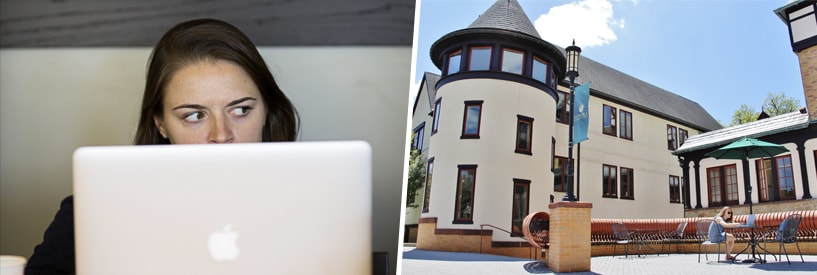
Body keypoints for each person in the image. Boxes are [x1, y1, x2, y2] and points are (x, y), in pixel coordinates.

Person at [25, 18, 299, 275]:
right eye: (194, 115)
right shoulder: (96, 210)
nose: (221, 134)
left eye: (240, 110)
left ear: (266, 110)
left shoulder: (315, 202)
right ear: (161, 123)